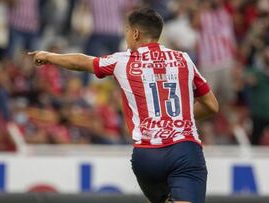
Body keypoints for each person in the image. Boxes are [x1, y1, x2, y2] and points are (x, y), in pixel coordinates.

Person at [28, 8, 218, 203]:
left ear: (135, 33)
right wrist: (177, 119)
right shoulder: (183, 60)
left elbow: (82, 62)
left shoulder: (123, 61)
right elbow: (211, 105)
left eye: (127, 30)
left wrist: (49, 56)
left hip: (147, 156)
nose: (126, 35)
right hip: (184, 150)